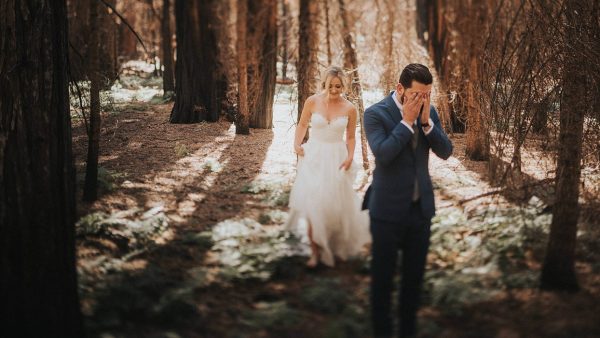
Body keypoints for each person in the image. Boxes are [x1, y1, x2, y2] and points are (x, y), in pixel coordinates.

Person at [364, 63, 453, 337]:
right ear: (400, 89)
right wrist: (406, 122)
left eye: (427, 95)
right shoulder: (375, 114)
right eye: (417, 94)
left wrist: (425, 123)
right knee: (382, 284)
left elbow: (446, 151)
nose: (422, 100)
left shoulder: (430, 112)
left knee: (412, 285)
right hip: (386, 212)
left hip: (420, 212)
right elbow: (384, 154)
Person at [285, 66, 370, 268]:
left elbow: (350, 136)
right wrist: (296, 144)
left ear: (344, 86)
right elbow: (303, 124)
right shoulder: (312, 102)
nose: (334, 89)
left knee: (335, 203)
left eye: (338, 86)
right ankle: (314, 252)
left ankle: (335, 244)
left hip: (337, 158)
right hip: (314, 156)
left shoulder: (349, 108)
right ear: (324, 84)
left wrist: (350, 156)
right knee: (314, 203)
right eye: (331, 85)